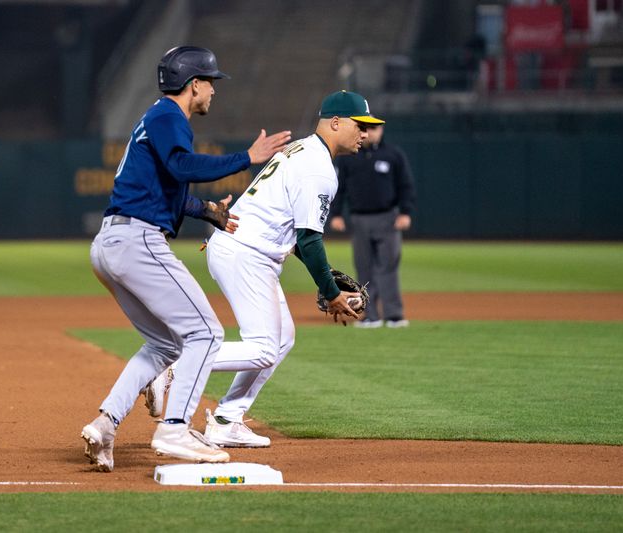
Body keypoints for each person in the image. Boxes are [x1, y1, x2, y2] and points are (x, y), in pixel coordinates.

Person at [80, 46, 291, 471]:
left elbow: (162, 186)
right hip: (137, 242)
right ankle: (174, 427)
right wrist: (245, 158)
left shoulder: (156, 119)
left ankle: (106, 423)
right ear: (194, 84)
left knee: (164, 343)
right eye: (211, 82)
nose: (214, 91)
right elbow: (180, 166)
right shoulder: (168, 117)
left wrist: (205, 211)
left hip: (113, 243)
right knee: (207, 333)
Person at [198, 90, 378, 447]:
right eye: (360, 125)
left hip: (248, 249)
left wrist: (327, 279)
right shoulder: (318, 169)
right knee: (264, 347)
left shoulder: (303, 150)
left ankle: (226, 419)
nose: (366, 134)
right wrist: (331, 293)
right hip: (245, 251)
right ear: (336, 122)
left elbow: (293, 234)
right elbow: (309, 241)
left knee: (281, 339)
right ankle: (176, 366)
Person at [330, 123, 416, 328]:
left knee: (388, 266)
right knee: (364, 268)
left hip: (388, 217)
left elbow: (406, 185)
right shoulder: (349, 157)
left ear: (382, 131)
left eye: (376, 128)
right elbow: (338, 188)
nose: (372, 132)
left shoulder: (393, 154)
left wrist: (405, 212)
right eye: (367, 128)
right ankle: (369, 315)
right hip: (359, 219)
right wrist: (336, 214)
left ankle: (394, 314)